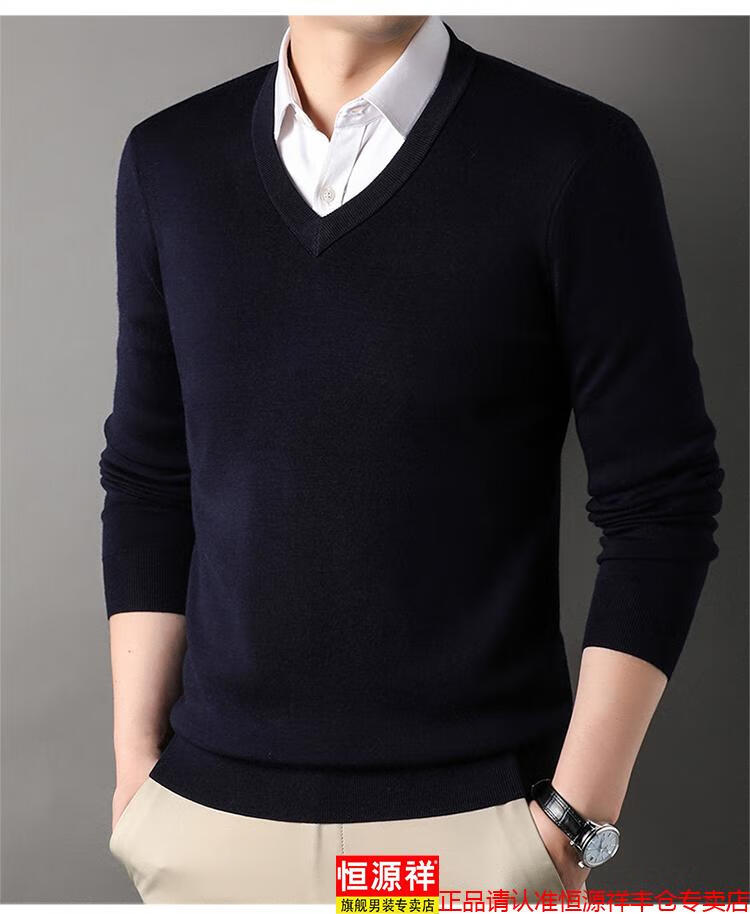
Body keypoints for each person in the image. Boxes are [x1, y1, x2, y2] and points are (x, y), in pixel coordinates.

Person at [99, 15, 724, 904]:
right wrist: (137, 774)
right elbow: (150, 479)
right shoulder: (169, 161)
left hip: (472, 828)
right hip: (206, 827)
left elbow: (661, 501)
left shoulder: (573, 155)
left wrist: (571, 820)